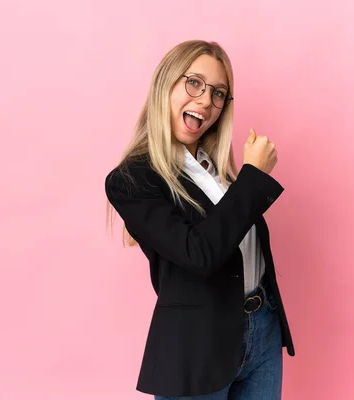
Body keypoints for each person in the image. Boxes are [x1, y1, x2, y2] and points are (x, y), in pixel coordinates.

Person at [105, 40, 294, 400]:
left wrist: (242, 179)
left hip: (261, 328)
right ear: (166, 85)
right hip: (197, 342)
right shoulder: (132, 179)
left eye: (219, 93)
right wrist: (254, 177)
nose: (206, 101)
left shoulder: (217, 172)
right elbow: (199, 254)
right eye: (194, 83)